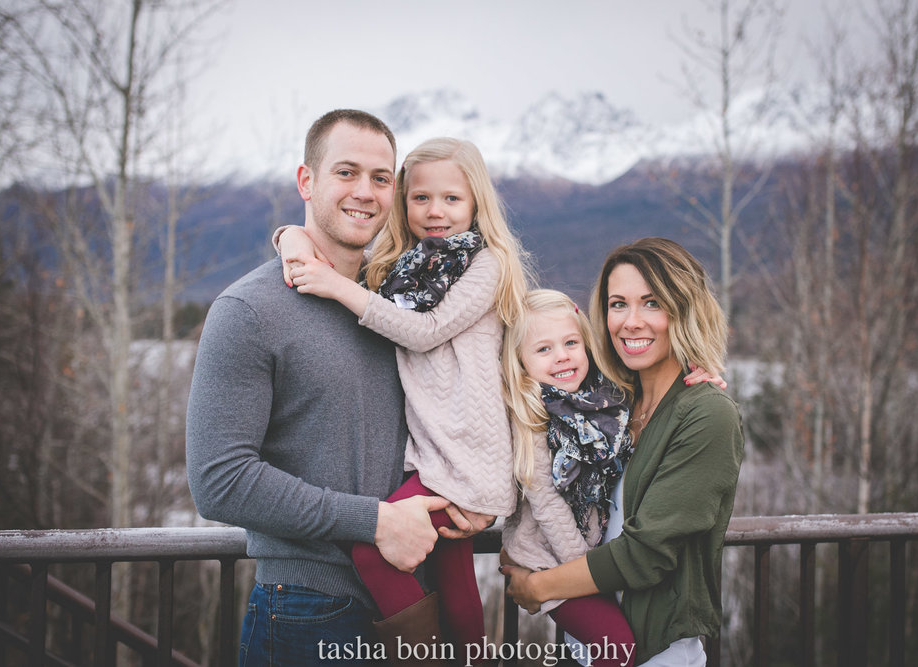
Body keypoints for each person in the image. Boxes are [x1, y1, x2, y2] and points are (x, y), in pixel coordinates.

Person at [186, 110, 483, 667]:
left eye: (380, 178)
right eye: (345, 172)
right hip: (306, 611)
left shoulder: (408, 298)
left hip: (415, 605)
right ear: (306, 181)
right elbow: (217, 480)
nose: (365, 192)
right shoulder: (249, 311)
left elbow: (511, 372)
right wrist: (373, 520)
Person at [275, 136, 531, 663]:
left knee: (373, 549)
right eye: (420, 198)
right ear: (403, 203)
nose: (436, 212)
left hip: (468, 456)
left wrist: (337, 287)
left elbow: (424, 330)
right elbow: (326, 251)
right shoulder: (406, 267)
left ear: (477, 202)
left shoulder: (488, 263)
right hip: (436, 451)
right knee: (453, 575)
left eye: (452, 199)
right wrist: (289, 238)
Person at [502, 238, 744, 666]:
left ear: (682, 309)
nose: (631, 322)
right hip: (587, 648)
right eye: (618, 304)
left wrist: (539, 587)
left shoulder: (706, 414)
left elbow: (646, 554)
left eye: (652, 303)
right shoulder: (610, 405)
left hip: (655, 654)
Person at [500, 289, 637, 667]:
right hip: (547, 561)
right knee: (617, 650)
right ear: (521, 362)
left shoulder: (604, 401)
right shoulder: (531, 417)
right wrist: (588, 574)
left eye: (571, 342)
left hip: (587, 556)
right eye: (543, 349)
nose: (562, 355)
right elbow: (546, 504)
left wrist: (697, 374)